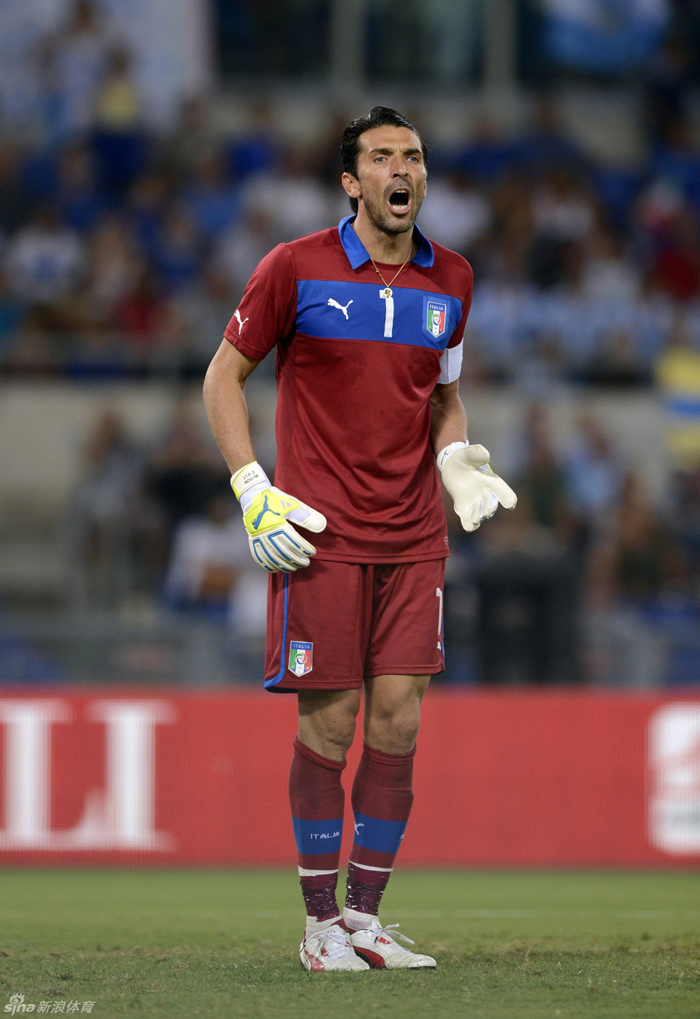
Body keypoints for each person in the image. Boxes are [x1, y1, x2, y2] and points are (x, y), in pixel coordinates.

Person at [203, 107, 516, 973]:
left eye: (412, 154)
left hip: (415, 537)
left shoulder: (452, 277)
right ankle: (318, 924)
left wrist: (456, 458)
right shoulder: (293, 268)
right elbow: (222, 376)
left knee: (399, 719)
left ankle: (367, 918)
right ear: (352, 182)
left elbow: (443, 393)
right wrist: (250, 485)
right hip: (324, 538)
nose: (399, 168)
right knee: (331, 724)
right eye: (381, 157)